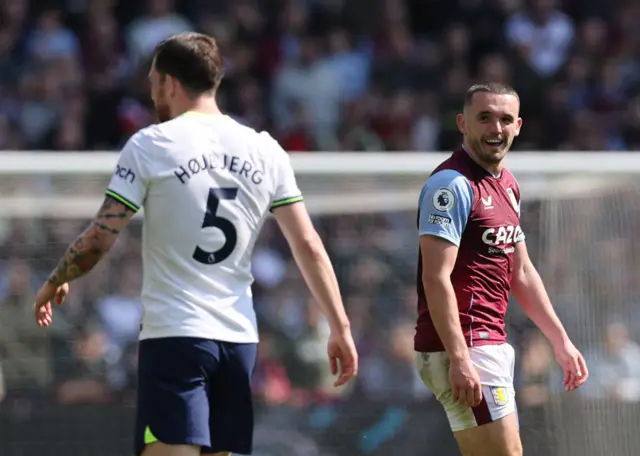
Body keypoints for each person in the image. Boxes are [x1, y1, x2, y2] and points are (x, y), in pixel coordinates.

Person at [33, 32, 358, 456]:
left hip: (176, 338)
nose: (151, 94)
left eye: (152, 82)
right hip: (239, 341)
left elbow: (100, 236)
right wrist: (340, 325)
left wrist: (57, 277)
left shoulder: (152, 144)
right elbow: (309, 246)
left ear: (169, 82)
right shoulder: (265, 150)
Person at [414, 82, 588, 456]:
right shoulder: (452, 185)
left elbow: (521, 271)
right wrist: (459, 357)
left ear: (519, 126)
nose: (496, 128)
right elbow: (435, 276)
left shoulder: (507, 185)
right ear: (463, 123)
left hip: (487, 344)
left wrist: (559, 340)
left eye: (505, 119)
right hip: (466, 346)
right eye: (485, 118)